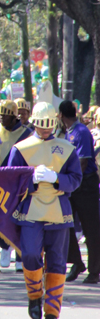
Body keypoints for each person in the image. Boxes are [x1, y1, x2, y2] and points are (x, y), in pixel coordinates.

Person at [7, 101, 82, 319]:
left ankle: (52, 313)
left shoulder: (67, 148)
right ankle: (34, 295)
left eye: (49, 126)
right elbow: (12, 181)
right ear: (34, 124)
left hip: (58, 211)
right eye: (41, 126)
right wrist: (31, 180)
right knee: (29, 255)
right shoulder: (21, 149)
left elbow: (76, 179)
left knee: (57, 262)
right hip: (31, 209)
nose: (45, 130)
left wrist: (57, 178)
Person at [58, 100, 100, 284]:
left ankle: (95, 271)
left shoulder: (81, 132)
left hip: (85, 184)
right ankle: (76, 262)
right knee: (65, 223)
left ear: (60, 115)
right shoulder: (67, 133)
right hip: (72, 184)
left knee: (90, 228)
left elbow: (83, 163)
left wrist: (70, 180)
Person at [0, 100, 30, 270]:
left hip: (20, 182)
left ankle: (20, 255)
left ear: (13, 117)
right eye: (0, 115)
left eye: (5, 115)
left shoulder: (27, 134)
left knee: (20, 218)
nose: (1, 119)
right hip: (0, 181)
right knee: (2, 216)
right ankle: (5, 248)